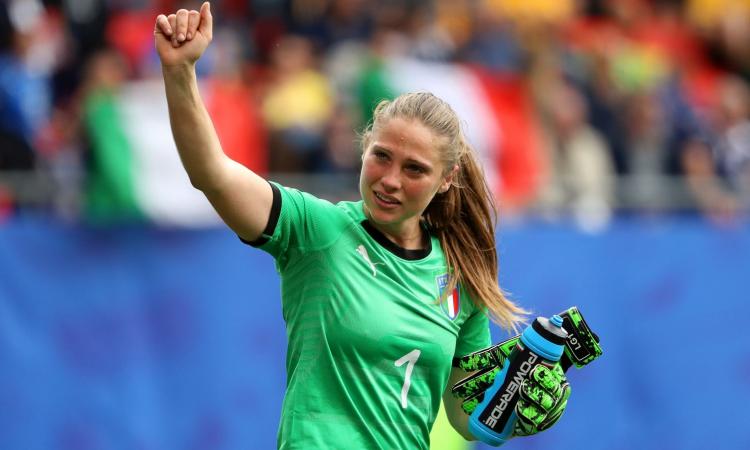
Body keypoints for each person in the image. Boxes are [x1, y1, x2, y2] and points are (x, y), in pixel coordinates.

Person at [153, 3, 570, 448]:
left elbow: (466, 415)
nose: (390, 180)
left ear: (446, 180)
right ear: (365, 145)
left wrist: (516, 405)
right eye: (382, 157)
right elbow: (211, 173)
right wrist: (180, 72)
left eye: (414, 169)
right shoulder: (316, 230)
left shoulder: (459, 280)